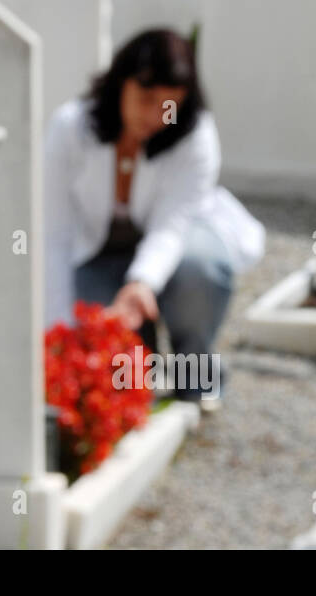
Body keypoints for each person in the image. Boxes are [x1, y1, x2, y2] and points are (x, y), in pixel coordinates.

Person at [44, 28, 265, 404]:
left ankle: (195, 376)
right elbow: (54, 234)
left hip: (177, 246)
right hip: (97, 255)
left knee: (202, 271)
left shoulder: (195, 137)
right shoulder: (70, 128)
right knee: (109, 352)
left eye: (169, 104)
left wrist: (142, 283)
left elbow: (172, 227)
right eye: (145, 97)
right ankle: (138, 378)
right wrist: (55, 336)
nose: (155, 115)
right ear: (119, 84)